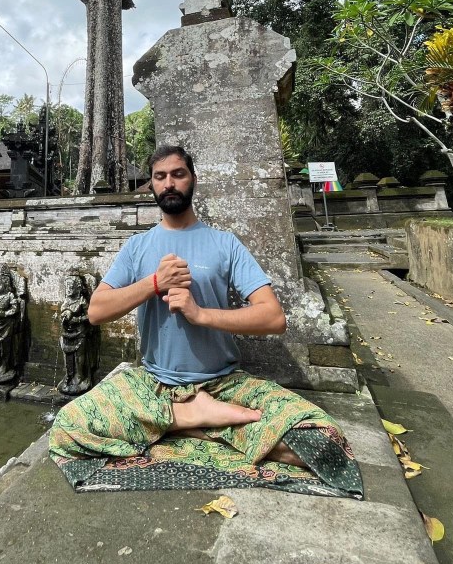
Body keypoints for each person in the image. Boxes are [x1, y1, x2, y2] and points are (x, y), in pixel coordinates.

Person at [49, 144, 360, 494]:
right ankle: (191, 418)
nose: (169, 183)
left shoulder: (224, 244)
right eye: (160, 177)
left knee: (323, 442)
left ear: (193, 180)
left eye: (178, 174)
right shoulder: (136, 247)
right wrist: (155, 283)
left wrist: (200, 314)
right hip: (153, 384)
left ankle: (178, 423)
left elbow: (273, 317)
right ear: (151, 185)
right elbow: (96, 311)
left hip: (223, 382)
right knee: (67, 426)